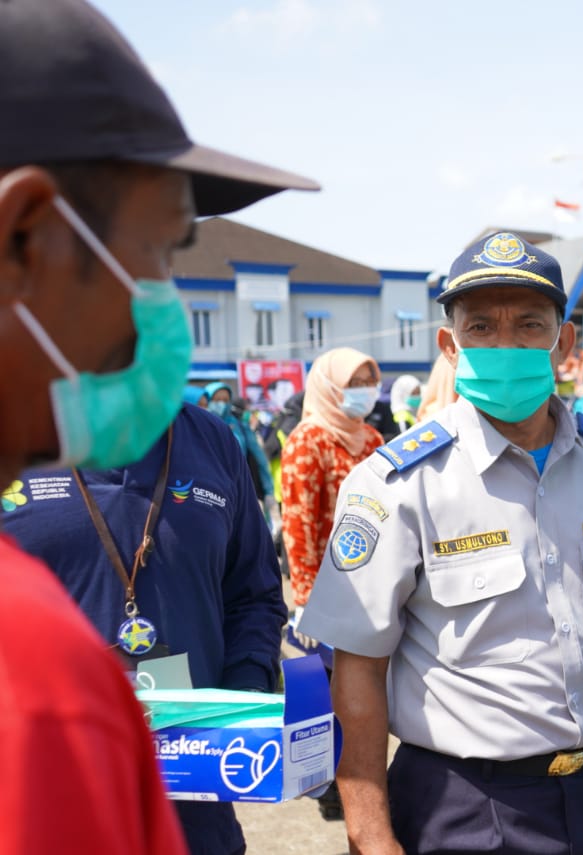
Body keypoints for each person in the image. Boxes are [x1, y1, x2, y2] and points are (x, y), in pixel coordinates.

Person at [0, 1, 316, 851]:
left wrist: (237, 711)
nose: (164, 303)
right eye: (156, 252)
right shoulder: (35, 668)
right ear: (26, 234)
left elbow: (254, 590)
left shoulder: (207, 443)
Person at [298, 232, 583, 855]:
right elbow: (360, 664)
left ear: (565, 342)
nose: (506, 344)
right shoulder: (398, 482)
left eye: (529, 325)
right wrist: (367, 823)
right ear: (450, 344)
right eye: (481, 327)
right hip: (465, 805)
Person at [4, 400, 289, 855]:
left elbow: (253, 594)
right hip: (39, 798)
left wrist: (242, 701)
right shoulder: (15, 436)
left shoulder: (212, 441)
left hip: (193, 806)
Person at [281, 348, 384, 613]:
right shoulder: (308, 440)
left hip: (375, 576)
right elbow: (298, 521)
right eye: (354, 384)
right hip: (330, 583)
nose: (365, 390)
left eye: (369, 383)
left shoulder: (372, 438)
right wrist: (305, 595)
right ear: (329, 387)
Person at [206, 381, 275, 512]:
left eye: (225, 400)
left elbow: (259, 457)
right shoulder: (201, 425)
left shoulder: (239, 425)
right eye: (217, 399)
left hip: (238, 490)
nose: (221, 404)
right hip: (208, 491)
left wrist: (268, 491)